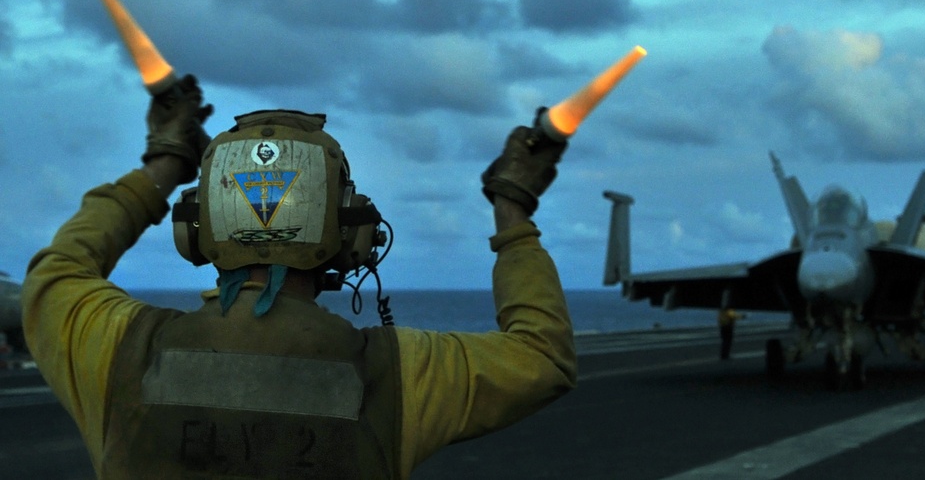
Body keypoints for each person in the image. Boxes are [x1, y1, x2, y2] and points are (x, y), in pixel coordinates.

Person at [22, 75, 577, 478]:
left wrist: (164, 162)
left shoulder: (118, 348)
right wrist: (512, 208)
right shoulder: (401, 374)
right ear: (352, 235)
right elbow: (541, 357)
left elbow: (59, 271)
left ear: (194, 230)